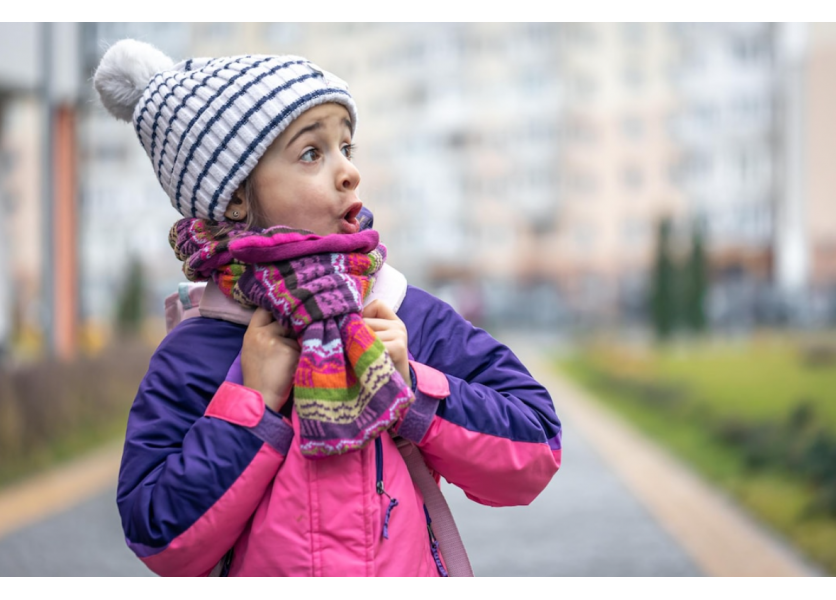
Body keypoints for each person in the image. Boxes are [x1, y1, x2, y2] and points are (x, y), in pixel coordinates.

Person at [94, 39, 563, 577]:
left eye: (347, 147)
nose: (348, 173)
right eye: (312, 153)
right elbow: (158, 536)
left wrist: (411, 385)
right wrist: (250, 406)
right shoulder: (200, 348)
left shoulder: (397, 312)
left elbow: (536, 445)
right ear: (234, 199)